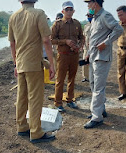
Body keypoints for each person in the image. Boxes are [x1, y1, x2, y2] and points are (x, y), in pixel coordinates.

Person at [8, 0, 56, 143]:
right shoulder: (38, 14)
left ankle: (22, 126)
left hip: (21, 63)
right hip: (34, 63)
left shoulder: (13, 17)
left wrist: (16, 63)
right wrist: (52, 64)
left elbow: (12, 44)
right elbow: (46, 41)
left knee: (21, 96)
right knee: (35, 98)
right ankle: (36, 132)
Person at [83, 0, 123, 129]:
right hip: (94, 56)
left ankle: (96, 117)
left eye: (89, 3)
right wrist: (88, 53)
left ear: (95, 3)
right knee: (93, 85)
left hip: (102, 57)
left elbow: (118, 29)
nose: (88, 6)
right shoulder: (95, 19)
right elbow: (93, 38)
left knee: (98, 88)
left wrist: (106, 42)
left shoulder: (105, 15)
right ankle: (101, 109)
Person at [51, 1, 84, 112]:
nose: (69, 12)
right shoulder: (57, 24)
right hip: (62, 56)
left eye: (71, 10)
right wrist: (66, 41)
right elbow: (52, 40)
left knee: (72, 78)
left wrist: (79, 46)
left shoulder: (77, 24)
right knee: (60, 80)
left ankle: (70, 100)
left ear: (73, 11)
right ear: (63, 11)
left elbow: (82, 37)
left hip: (74, 55)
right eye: (67, 10)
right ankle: (58, 103)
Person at [81, 13, 93, 83]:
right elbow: (83, 36)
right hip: (86, 47)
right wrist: (82, 45)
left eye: (90, 16)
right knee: (85, 62)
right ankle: (85, 77)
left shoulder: (97, 24)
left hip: (94, 47)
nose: (89, 17)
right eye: (88, 16)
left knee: (94, 63)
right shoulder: (86, 26)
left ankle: (93, 77)